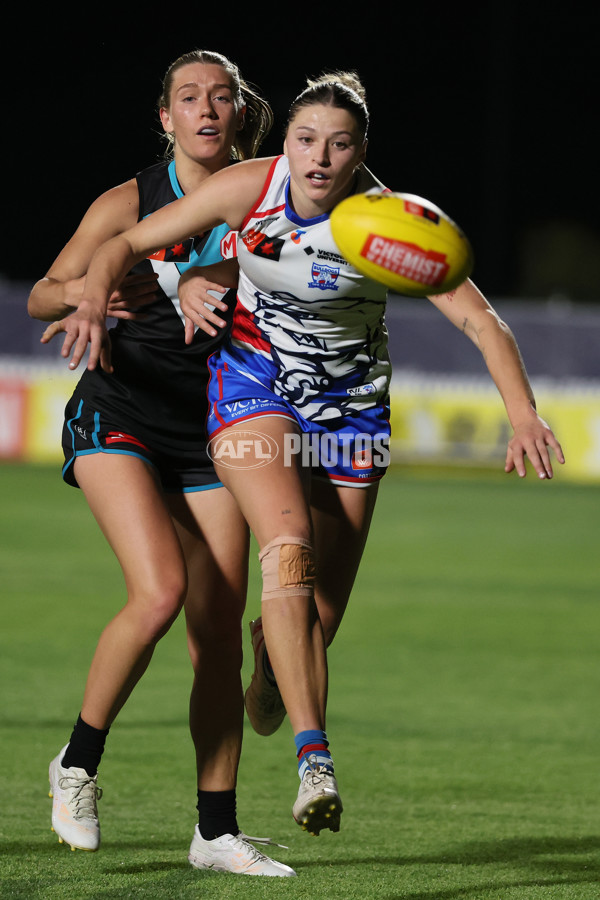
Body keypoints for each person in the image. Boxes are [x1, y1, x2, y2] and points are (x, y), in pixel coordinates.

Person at [56, 70, 565, 840]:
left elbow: (482, 320)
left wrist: (522, 414)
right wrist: (93, 294)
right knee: (286, 553)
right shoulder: (248, 185)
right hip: (253, 387)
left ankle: (275, 666)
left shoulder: (387, 222)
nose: (318, 158)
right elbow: (128, 240)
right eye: (304, 140)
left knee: (320, 613)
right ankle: (314, 761)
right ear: (284, 141)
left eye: (339, 144)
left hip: (351, 412)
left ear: (361, 153)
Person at [28, 49, 298, 877]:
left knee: (216, 634)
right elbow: (44, 291)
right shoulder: (130, 200)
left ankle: (215, 832)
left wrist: (197, 277)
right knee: (161, 591)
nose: (207, 110)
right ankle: (76, 765)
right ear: (166, 117)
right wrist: (87, 297)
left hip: (211, 428)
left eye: (222, 98)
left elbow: (263, 274)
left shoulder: (269, 198)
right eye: (190, 98)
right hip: (121, 411)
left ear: (241, 115)